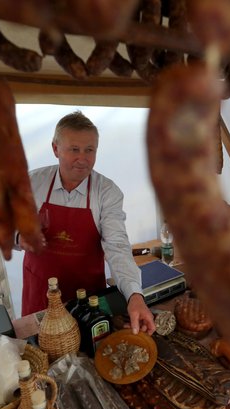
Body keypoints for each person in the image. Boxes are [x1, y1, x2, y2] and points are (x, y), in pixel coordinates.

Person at [17, 111, 155, 335]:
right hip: (40, 293)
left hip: (88, 300)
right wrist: (18, 237)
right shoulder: (33, 184)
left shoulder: (107, 192)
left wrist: (135, 295)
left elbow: (117, 246)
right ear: (55, 149)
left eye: (89, 150)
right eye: (74, 149)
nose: (82, 159)